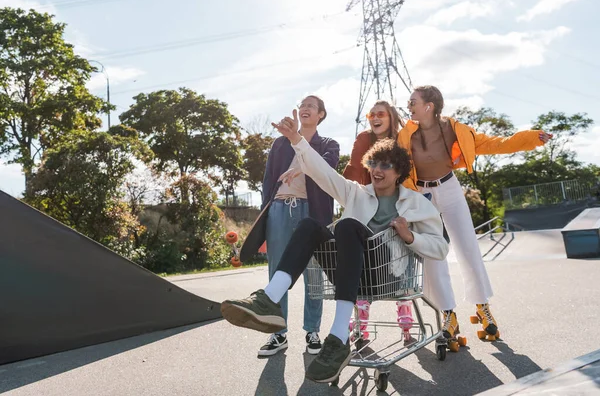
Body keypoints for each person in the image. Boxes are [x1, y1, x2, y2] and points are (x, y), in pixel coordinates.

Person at [221, 110, 449, 383]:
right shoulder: (356, 192)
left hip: (387, 276)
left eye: (386, 165)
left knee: (346, 225)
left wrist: (410, 237)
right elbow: (323, 173)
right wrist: (296, 139)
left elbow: (440, 248)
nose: (377, 169)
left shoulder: (416, 203)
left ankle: (338, 336)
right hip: (348, 275)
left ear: (399, 171)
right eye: (374, 162)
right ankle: (269, 299)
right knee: (309, 225)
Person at [398, 85, 553, 340]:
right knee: (434, 254)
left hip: (449, 188)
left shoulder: (455, 129)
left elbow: (495, 144)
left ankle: (483, 307)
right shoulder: (406, 133)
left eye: (412, 101)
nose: (408, 105)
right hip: (422, 196)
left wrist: (531, 138)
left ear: (429, 106)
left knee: (468, 247)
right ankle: (448, 313)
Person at [258, 95, 339, 357]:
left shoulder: (328, 145)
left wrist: (302, 164)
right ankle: (278, 333)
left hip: (311, 212)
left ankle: (312, 331)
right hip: (280, 209)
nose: (305, 108)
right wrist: (265, 217)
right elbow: (268, 180)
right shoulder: (280, 144)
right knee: (277, 272)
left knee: (314, 274)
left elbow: (326, 169)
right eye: (302, 104)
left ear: (321, 115)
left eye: (311, 106)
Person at [341, 100, 413, 340]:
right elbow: (354, 167)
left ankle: (404, 305)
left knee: (401, 256)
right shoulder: (364, 139)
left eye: (380, 113)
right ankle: (361, 316)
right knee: (365, 259)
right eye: (371, 114)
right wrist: (346, 195)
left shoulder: (403, 137)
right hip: (370, 203)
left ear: (391, 116)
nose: (375, 117)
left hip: (399, 202)